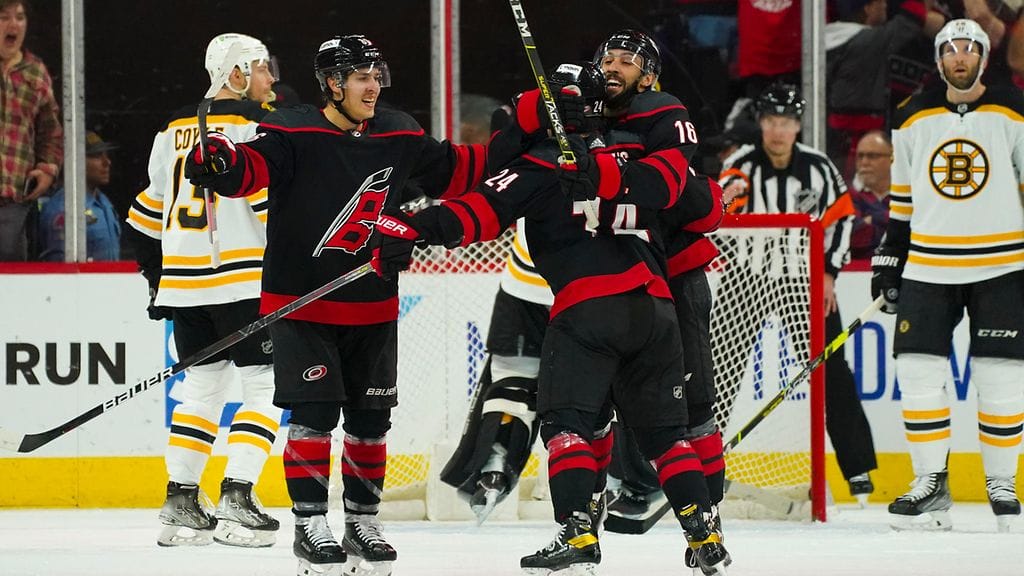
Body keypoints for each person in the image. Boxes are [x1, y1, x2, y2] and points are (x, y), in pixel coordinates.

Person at [372, 59, 728, 576]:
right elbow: (701, 205)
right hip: (656, 310)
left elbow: (477, 212)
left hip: (588, 310)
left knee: (566, 426)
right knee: (666, 436)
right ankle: (705, 533)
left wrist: (409, 227)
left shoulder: (542, 163)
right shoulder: (638, 150)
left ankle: (578, 533)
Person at [183, 34, 485, 576]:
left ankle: (363, 521)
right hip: (302, 304)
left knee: (371, 421)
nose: (373, 86)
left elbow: (458, 169)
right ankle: (309, 526)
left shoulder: (398, 132)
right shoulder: (294, 131)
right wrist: (220, 163)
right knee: (314, 416)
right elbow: (249, 169)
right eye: (361, 77)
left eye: (377, 76)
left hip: (372, 304)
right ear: (332, 83)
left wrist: (523, 145)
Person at [125, 32, 282, 548]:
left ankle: (180, 504)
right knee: (264, 386)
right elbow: (272, 213)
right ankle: (238, 497)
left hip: (186, 288)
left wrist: (158, 284)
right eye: (261, 68)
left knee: (200, 389)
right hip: (245, 284)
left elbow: (143, 219)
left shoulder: (169, 132)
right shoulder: (258, 129)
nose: (271, 78)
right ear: (236, 74)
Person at [872, 18, 1024, 532]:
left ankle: (1002, 483)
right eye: (951, 50)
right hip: (929, 266)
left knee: (1001, 379)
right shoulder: (912, 114)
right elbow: (902, 198)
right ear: (938, 61)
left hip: (1002, 264)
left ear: (983, 55)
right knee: (917, 376)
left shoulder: (1013, 109)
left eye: (969, 49)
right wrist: (891, 256)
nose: (960, 57)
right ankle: (930, 483)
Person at [719, 83, 879, 505]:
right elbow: (722, 220)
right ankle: (703, 459)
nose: (778, 130)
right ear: (761, 123)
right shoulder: (739, 165)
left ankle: (857, 467)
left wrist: (828, 273)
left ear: (797, 125)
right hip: (747, 280)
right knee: (718, 368)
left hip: (805, 282)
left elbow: (843, 220)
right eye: (771, 121)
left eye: (786, 122)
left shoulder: (820, 167)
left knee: (831, 371)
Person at [825, 0, 942, 178]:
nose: (885, 6)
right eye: (880, 2)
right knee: (856, 192)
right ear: (866, 8)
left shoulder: (827, 37)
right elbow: (911, 19)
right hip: (857, 137)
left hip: (833, 134)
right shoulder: (867, 42)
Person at [0, 0, 62, 261]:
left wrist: (47, 169)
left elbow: (51, 131)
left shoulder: (35, 73)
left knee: (12, 279)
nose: (14, 24)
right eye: (4, 17)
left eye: (20, 17)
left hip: (14, 200)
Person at [37, 131, 122, 262]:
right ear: (74, 161)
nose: (107, 162)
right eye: (96, 156)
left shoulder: (104, 203)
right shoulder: (63, 209)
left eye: (106, 155)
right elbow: (58, 268)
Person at [848, 129, 893, 262]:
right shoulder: (845, 195)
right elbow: (854, 239)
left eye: (872, 156)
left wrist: (872, 219)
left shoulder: (909, 193)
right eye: (860, 156)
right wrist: (890, 219)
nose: (864, 162)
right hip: (853, 276)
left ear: (892, 158)